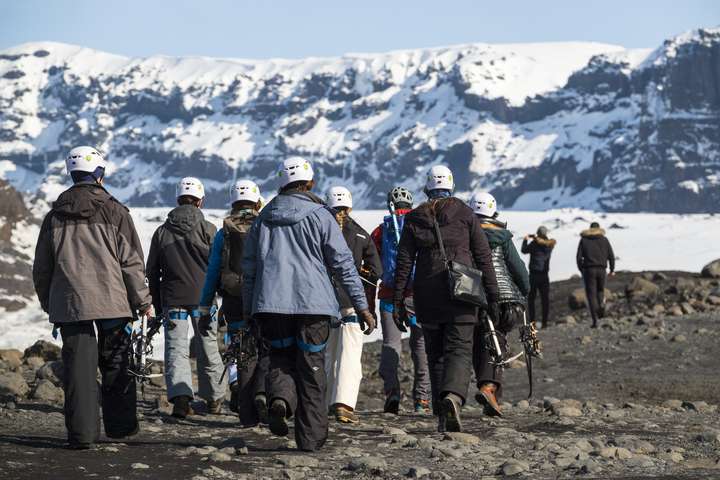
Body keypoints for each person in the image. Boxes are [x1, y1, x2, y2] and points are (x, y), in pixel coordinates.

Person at [241, 157, 376, 452]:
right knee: (313, 369)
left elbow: (249, 269)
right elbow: (343, 264)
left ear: (281, 184)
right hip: (314, 307)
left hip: (271, 306)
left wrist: (249, 309)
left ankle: (281, 400)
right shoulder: (321, 216)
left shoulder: (263, 218)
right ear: (311, 183)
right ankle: (310, 438)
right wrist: (362, 306)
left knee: (281, 358)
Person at [32, 146, 153, 449]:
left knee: (78, 371)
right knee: (116, 363)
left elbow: (42, 268)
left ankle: (82, 436)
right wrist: (143, 301)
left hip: (70, 303)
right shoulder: (115, 211)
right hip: (113, 300)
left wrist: (51, 303)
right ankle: (121, 429)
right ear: (100, 174)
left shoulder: (54, 216)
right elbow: (131, 262)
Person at [393, 165, 498, 432]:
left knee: (435, 352)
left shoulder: (415, 217)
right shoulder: (464, 212)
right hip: (463, 289)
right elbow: (483, 256)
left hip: (427, 292)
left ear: (427, 187)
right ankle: (453, 397)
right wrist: (493, 296)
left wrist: (398, 302)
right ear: (451, 185)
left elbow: (403, 262)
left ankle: (442, 414)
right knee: (460, 350)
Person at [146, 177, 224, 418]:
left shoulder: (162, 233)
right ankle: (214, 399)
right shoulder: (210, 230)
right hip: (204, 300)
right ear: (200, 201)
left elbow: (152, 271)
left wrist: (159, 306)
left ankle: (181, 400)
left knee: (176, 349)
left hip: (173, 299)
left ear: (178, 199)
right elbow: (220, 267)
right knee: (208, 345)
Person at [198, 179, 269, 427]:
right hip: (263, 297)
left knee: (242, 350)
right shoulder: (266, 226)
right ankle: (264, 396)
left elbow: (213, 271)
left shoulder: (224, 232)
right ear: (257, 201)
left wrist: (205, 305)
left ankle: (246, 408)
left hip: (233, 298)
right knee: (266, 349)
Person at [324, 186, 382, 424]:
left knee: (325, 355)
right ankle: (344, 404)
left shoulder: (318, 229)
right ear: (350, 206)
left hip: (321, 302)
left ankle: (322, 402)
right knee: (349, 355)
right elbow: (376, 271)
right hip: (351, 304)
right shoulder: (360, 234)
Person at [370, 187, 431, 414]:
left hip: (388, 295)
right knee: (420, 346)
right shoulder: (420, 226)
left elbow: (372, 263)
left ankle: (392, 392)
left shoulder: (381, 230)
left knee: (391, 344)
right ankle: (422, 399)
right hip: (418, 295)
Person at [469, 192, 529, 417]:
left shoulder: (466, 234)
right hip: (506, 300)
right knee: (497, 344)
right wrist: (525, 291)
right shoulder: (503, 237)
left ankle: (489, 390)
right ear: (494, 212)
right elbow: (519, 270)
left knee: (480, 343)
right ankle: (490, 390)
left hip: (475, 297)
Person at [576, 221, 616, 328]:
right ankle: (601, 306)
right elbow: (611, 256)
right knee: (600, 290)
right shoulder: (604, 239)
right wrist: (612, 270)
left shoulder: (584, 240)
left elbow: (579, 258)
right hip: (602, 269)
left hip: (589, 270)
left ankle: (595, 320)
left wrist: (582, 270)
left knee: (591, 295)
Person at [521, 226, 556, 328]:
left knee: (531, 300)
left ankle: (532, 323)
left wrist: (525, 240)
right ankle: (545, 323)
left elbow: (523, 250)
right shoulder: (550, 245)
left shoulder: (534, 244)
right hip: (544, 275)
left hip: (533, 275)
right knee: (545, 300)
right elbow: (546, 242)